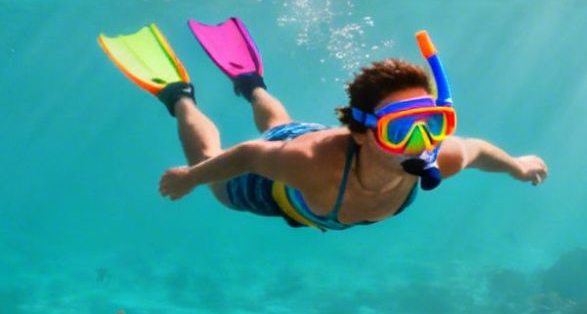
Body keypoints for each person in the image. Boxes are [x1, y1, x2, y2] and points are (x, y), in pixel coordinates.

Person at [99, 18, 546, 230]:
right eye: (399, 129)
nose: (420, 143)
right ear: (361, 131)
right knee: (222, 168)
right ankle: (179, 96)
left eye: (431, 123)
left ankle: (251, 84)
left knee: (281, 122)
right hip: (280, 186)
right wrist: (190, 178)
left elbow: (481, 152)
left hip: (305, 145)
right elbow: (253, 155)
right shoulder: (311, 164)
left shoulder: (440, 155)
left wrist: (519, 167)